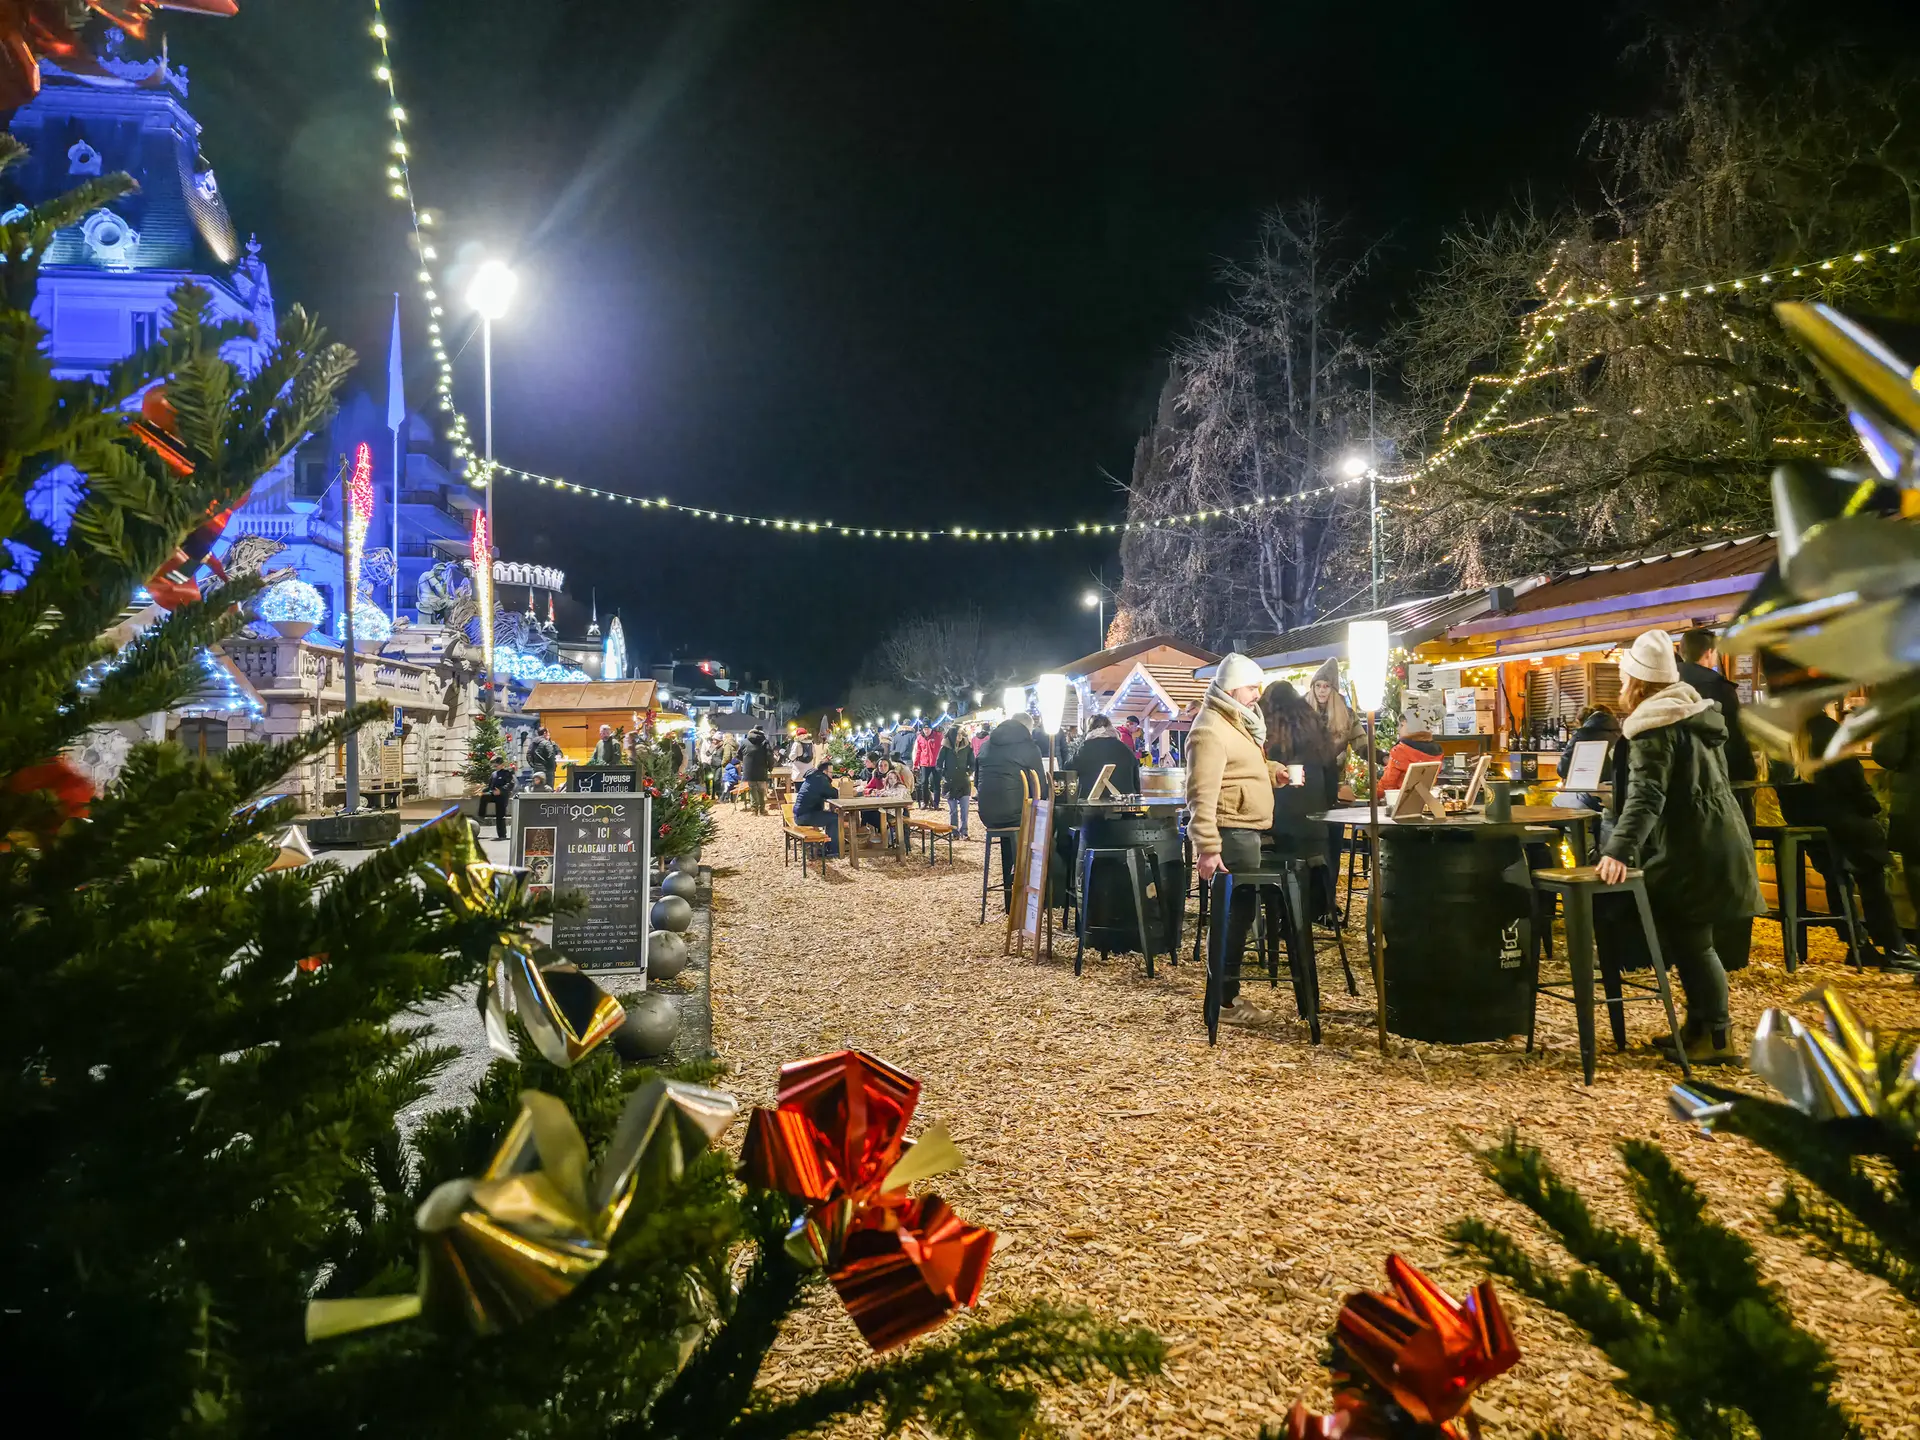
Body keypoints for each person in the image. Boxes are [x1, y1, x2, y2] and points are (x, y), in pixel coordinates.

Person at [1594, 629, 1762, 1064]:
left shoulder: (1655, 726)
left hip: (1692, 846)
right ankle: (1699, 1026)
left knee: (1694, 942)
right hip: (1712, 836)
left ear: (1637, 683)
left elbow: (1647, 795)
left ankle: (1718, 1037)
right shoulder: (1692, 715)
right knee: (1690, 939)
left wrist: (1616, 849)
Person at [1775, 706, 1918, 972]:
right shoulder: (1828, 731)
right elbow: (1853, 780)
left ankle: (1858, 945)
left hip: (1806, 823)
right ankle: (1894, 949)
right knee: (1872, 875)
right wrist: (1872, 807)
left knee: (1835, 875)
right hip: (1842, 822)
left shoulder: (1780, 733)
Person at [1186, 653, 1277, 1027]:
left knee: (1238, 917)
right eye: (1251, 687)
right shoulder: (1211, 728)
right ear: (1231, 687)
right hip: (1231, 833)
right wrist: (1208, 845)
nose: (1257, 695)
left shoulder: (1235, 723)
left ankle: (1226, 996)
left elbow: (1239, 769)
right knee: (1232, 919)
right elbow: (1200, 793)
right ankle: (1223, 1002)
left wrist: (1272, 772)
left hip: (1243, 831)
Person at [1678, 628, 1757, 825]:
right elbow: (1735, 737)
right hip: (1718, 780)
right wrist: (1749, 774)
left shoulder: (1664, 687)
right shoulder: (1719, 688)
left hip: (1678, 781)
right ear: (1709, 653)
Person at [976, 710, 1046, 896]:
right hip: (1016, 815)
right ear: (1027, 730)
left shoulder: (986, 745)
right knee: (1045, 830)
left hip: (987, 814)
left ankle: (1011, 895)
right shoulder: (1029, 747)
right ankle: (1032, 897)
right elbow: (1041, 789)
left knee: (1013, 836)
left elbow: (977, 782)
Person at [1380, 691, 1445, 792]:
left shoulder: (1400, 751)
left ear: (1412, 727)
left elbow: (1388, 784)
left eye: (1402, 725)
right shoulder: (1437, 753)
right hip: (1422, 800)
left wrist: (1373, 797)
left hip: (1399, 800)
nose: (1398, 729)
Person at [1069, 713, 1141, 798]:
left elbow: (1068, 768)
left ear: (1090, 728)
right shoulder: (1124, 748)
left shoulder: (1086, 748)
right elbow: (1136, 777)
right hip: (1122, 804)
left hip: (1092, 804)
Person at [792, 756, 841, 856]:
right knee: (835, 818)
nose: (832, 775)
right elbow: (834, 793)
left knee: (830, 816)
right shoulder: (820, 780)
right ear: (825, 772)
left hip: (801, 814)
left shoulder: (813, 777)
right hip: (805, 816)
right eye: (831, 772)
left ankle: (829, 844)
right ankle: (833, 849)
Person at [941, 724, 975, 838]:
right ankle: (954, 831)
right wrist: (944, 774)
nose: (960, 736)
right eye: (958, 734)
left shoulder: (967, 747)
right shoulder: (945, 747)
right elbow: (938, 764)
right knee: (953, 810)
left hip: (964, 783)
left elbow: (973, 762)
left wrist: (968, 772)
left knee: (964, 810)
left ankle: (964, 831)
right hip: (950, 783)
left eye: (961, 734)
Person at [477, 751, 514, 841]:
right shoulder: (494, 774)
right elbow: (490, 786)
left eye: (496, 765)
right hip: (493, 794)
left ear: (502, 764)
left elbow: (511, 784)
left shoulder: (507, 773)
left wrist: (501, 791)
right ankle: (481, 816)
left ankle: (502, 835)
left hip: (502, 797)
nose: (495, 767)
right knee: (484, 796)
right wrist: (482, 790)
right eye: (494, 766)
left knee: (500, 816)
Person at [739, 725, 775, 816]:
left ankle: (754, 809)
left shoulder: (744, 742)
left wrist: (745, 761)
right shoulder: (764, 742)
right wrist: (770, 766)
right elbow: (770, 755)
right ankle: (762, 809)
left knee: (752, 788)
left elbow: (738, 755)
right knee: (761, 789)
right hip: (761, 768)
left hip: (749, 769)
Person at [913, 723, 944, 809]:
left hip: (936, 763)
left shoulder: (937, 736)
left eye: (928, 729)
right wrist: (915, 764)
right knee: (924, 783)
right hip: (924, 763)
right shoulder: (920, 738)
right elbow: (918, 751)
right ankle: (925, 802)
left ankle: (936, 803)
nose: (926, 731)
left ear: (931, 729)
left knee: (936, 783)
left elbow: (943, 746)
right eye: (925, 729)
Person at [526, 725, 560, 790]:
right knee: (549, 789)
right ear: (545, 733)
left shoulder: (533, 743)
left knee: (538, 788)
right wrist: (552, 768)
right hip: (547, 770)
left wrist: (533, 765)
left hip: (537, 769)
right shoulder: (546, 743)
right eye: (548, 733)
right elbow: (551, 755)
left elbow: (528, 755)